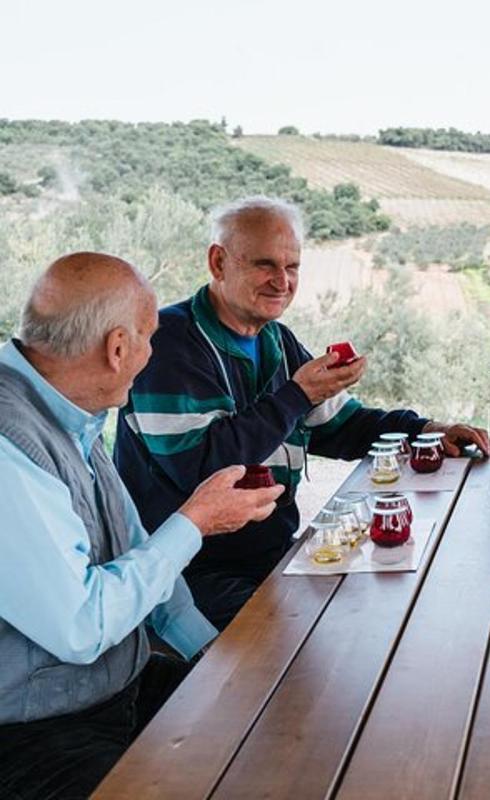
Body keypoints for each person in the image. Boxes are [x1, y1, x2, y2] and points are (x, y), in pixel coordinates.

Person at [116, 196, 487, 630]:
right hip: (189, 575)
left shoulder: (277, 340)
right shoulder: (170, 345)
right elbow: (203, 468)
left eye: (292, 267)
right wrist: (297, 394)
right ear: (218, 263)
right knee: (309, 647)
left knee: (391, 613)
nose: (282, 281)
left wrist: (427, 430)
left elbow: (340, 426)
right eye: (265, 265)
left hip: (272, 555)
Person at [0, 253, 285, 799]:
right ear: (116, 348)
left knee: (266, 731)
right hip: (31, 733)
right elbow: (81, 627)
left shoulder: (71, 413)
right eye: (150, 339)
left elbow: (138, 554)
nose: (151, 357)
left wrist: (214, 660)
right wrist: (196, 521)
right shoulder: (11, 442)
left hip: (115, 690)